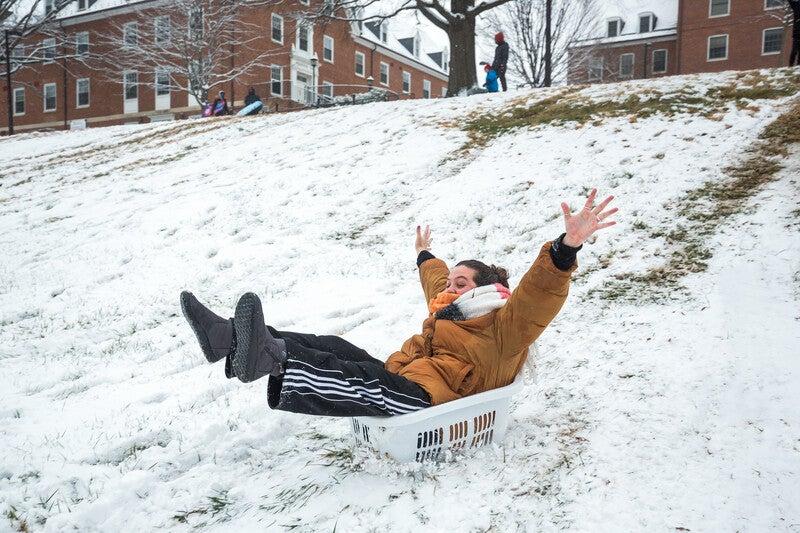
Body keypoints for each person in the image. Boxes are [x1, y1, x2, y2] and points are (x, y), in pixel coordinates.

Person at [180, 190, 617, 417]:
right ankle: (229, 339)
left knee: (351, 377)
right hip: (406, 378)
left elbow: (539, 295)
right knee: (333, 345)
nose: (447, 288)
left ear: (483, 288)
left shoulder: (505, 325)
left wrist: (565, 248)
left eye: (459, 282)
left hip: (430, 404)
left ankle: (268, 361)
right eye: (449, 282)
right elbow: (434, 280)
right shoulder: (450, 308)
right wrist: (426, 256)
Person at [790, 0, 800, 67]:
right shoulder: (797, 4)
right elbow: (790, 2)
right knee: (794, 50)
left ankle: (798, 65)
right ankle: (791, 65)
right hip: (797, 32)